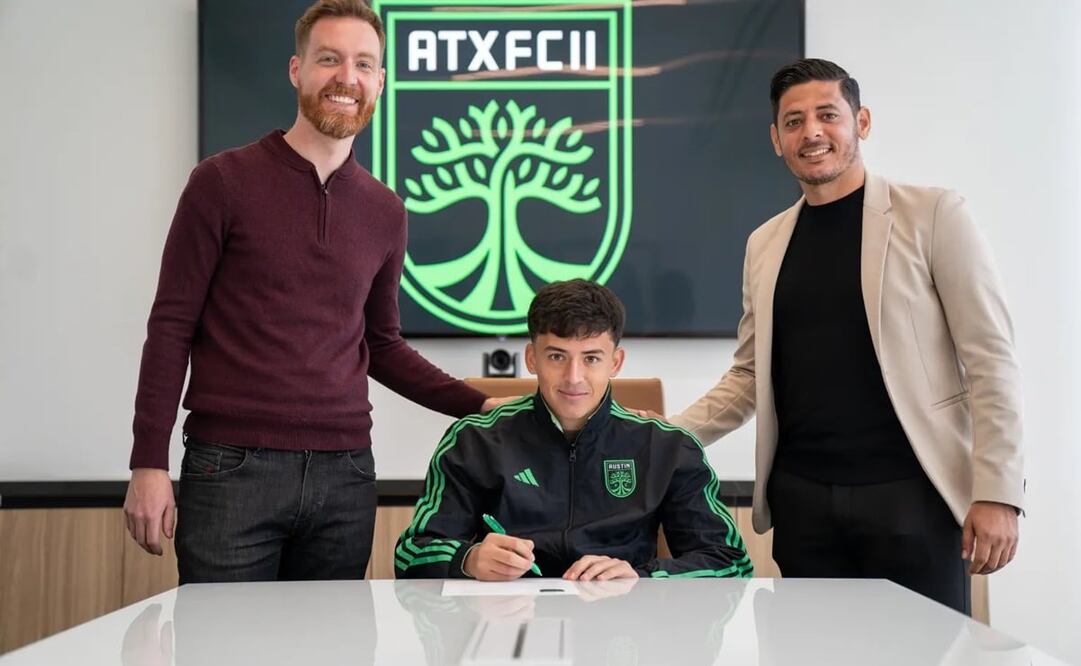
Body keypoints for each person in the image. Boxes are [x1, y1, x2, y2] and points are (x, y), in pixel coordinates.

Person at [123, 0, 508, 583]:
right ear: (296, 69)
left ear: (380, 81)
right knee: (221, 634)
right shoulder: (220, 182)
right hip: (231, 470)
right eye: (329, 59)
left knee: (334, 635)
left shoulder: (385, 211)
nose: (346, 78)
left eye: (363, 64)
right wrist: (148, 461)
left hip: (345, 477)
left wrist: (479, 405)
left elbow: (382, 345)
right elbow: (171, 326)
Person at [668, 58, 1023, 613]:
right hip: (803, 506)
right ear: (776, 140)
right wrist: (658, 437)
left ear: (861, 122)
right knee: (808, 649)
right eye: (793, 121)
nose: (811, 132)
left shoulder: (934, 215)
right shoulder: (764, 243)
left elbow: (990, 360)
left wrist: (999, 492)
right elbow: (749, 376)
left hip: (914, 499)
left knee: (925, 650)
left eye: (827, 115)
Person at [395, 279, 753, 581]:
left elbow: (731, 562)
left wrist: (642, 577)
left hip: (623, 623)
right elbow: (411, 553)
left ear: (616, 362)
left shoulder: (667, 445)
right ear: (532, 358)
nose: (574, 377)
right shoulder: (475, 439)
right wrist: (468, 559)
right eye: (556, 356)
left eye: (591, 358)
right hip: (506, 624)